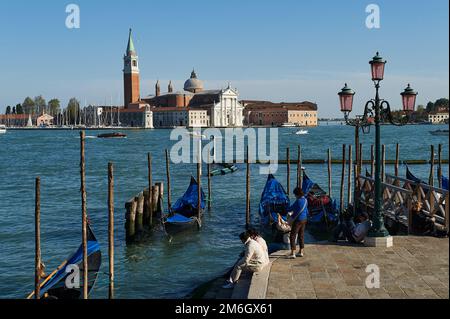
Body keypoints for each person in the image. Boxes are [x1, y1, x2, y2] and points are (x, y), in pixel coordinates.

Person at [287, 188, 308, 259]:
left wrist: (286, 209)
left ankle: (293, 253)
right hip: (304, 219)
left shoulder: (298, 201)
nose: (295, 196)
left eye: (295, 194)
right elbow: (305, 210)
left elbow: (291, 208)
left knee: (292, 235)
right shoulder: (305, 200)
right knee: (301, 235)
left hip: (298, 220)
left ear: (298, 194)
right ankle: (301, 251)